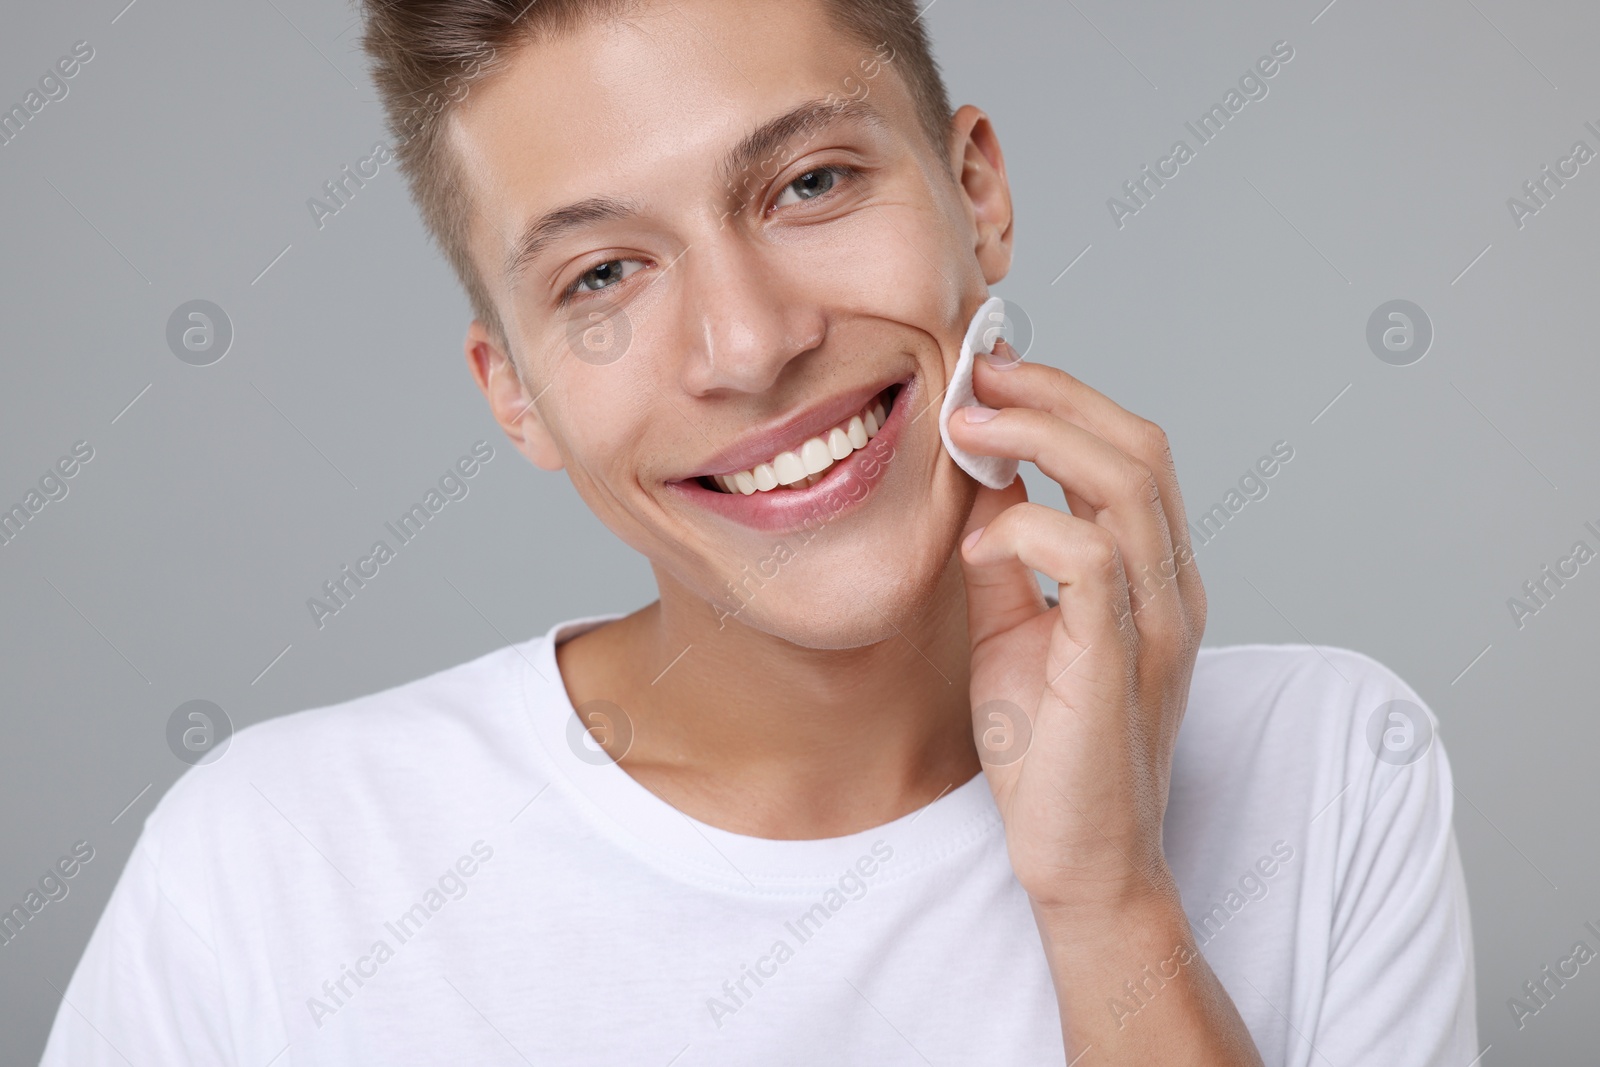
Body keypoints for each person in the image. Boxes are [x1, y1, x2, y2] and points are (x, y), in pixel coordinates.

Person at [42, 0, 1477, 1062]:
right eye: (605, 272)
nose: (746, 343)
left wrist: (1110, 904)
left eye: (809, 185)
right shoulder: (271, 866)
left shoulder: (1334, 770)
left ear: (976, 193)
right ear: (518, 395)